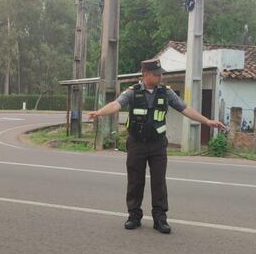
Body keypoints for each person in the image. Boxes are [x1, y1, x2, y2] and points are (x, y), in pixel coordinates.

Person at [88, 58, 226, 234]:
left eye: (161, 74)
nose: (161, 77)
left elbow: (185, 109)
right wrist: (99, 113)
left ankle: (160, 218)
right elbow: (116, 104)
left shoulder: (166, 93)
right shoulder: (132, 92)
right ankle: (134, 216)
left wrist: (207, 121)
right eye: (157, 74)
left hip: (158, 145)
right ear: (146, 74)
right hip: (136, 144)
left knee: (159, 182)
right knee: (135, 181)